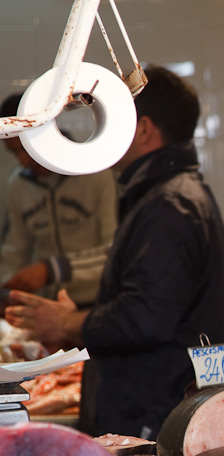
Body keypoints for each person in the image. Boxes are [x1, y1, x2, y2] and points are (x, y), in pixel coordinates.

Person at [4, 66, 224, 440]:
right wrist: (77, 324)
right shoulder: (165, 194)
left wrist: (69, 322)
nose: (104, 132)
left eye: (114, 119)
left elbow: (145, 317)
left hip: (158, 411)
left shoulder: (169, 205)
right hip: (161, 401)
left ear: (143, 130)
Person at [0, 92, 118, 309]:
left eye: (24, 149)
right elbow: (13, 251)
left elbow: (116, 250)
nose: (22, 161)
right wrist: (7, 290)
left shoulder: (96, 172)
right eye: (13, 153)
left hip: (97, 303)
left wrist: (52, 269)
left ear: (45, 133)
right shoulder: (18, 184)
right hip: (48, 305)